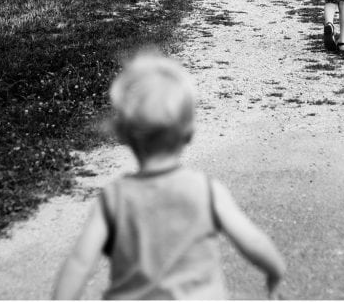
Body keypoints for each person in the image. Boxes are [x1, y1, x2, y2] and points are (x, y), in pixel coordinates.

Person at [52, 54, 286, 300]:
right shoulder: (206, 191)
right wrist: (275, 270)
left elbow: (80, 263)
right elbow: (252, 240)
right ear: (189, 133)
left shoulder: (114, 199)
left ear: (122, 134)